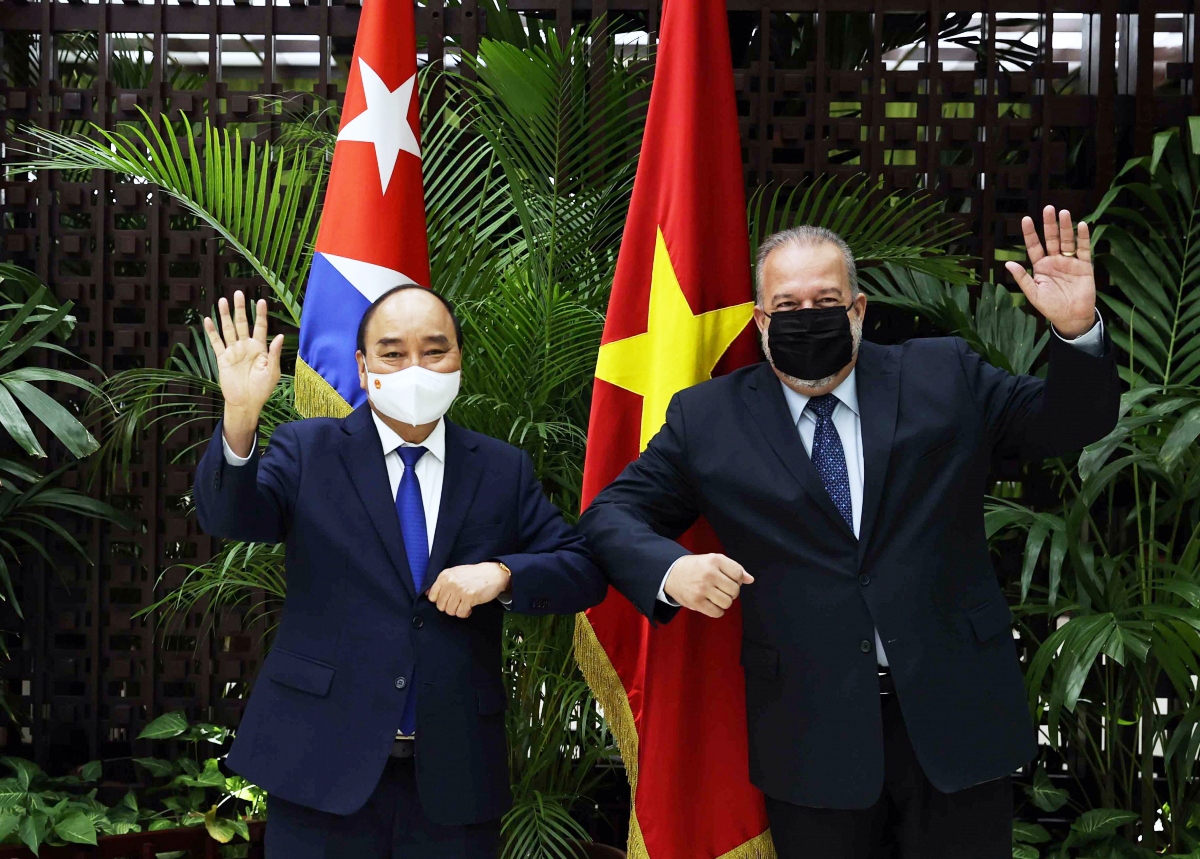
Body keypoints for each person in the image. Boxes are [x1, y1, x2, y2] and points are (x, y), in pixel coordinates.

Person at [578, 207, 1120, 859]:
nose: (808, 315)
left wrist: (1076, 332)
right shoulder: (709, 418)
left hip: (955, 719)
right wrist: (671, 569)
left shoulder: (942, 374)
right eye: (788, 304)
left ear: (858, 309)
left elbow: (1068, 423)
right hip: (812, 735)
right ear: (760, 321)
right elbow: (610, 517)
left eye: (826, 300)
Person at [194, 286, 607, 859]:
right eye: (392, 353)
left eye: (434, 351)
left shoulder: (500, 469)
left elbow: (580, 568)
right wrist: (240, 417)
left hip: (454, 777)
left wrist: (501, 574)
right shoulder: (308, 449)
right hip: (322, 767)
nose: (415, 367)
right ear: (363, 368)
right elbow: (230, 516)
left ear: (459, 359)